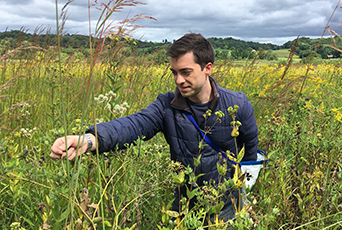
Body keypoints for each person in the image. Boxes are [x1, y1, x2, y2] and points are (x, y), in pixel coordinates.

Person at [50, 33, 258, 222]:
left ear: (207, 68)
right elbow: (135, 125)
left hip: (227, 204)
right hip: (185, 203)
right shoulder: (167, 106)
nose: (179, 80)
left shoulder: (238, 105)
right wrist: (90, 140)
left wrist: (241, 191)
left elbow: (249, 153)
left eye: (186, 72)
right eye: (174, 73)